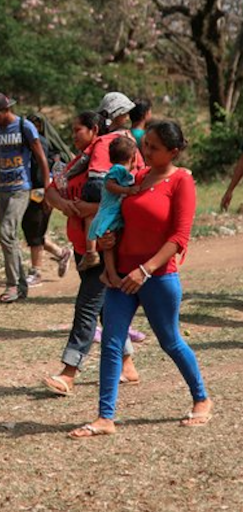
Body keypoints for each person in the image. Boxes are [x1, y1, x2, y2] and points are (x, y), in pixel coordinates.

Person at [70, 120, 212, 438]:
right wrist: (108, 243)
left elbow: (179, 237)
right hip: (121, 277)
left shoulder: (181, 181)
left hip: (158, 277)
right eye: (145, 144)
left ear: (173, 152)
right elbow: (116, 216)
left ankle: (201, 399)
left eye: (154, 148)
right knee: (111, 342)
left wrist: (145, 270)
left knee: (170, 341)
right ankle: (105, 417)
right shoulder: (135, 178)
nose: (145, 152)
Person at [42, 112, 138, 397]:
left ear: (95, 130)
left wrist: (89, 209)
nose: (73, 135)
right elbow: (50, 191)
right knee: (106, 310)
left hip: (105, 250)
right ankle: (128, 365)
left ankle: (69, 372)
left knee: (86, 307)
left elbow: (125, 199)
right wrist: (65, 205)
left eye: (78, 130)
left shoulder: (111, 163)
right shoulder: (76, 164)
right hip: (82, 250)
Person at [62, 92, 141, 271]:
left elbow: (82, 161)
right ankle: (100, 258)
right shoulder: (129, 139)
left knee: (91, 215)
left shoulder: (100, 141)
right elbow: (139, 167)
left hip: (96, 181)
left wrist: (67, 175)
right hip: (119, 186)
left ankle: (91, 252)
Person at [0, 92, 50, 302]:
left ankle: (11, 285)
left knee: (6, 233)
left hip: (21, 188)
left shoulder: (25, 126)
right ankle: (21, 286)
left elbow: (40, 156)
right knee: (10, 237)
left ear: (6, 110)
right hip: (2, 188)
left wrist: (46, 187)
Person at [22, 113, 72, 285]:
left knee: (35, 228)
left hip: (40, 191)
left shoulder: (41, 144)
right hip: (36, 191)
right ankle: (61, 253)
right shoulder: (32, 143)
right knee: (31, 228)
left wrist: (47, 195)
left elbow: (43, 173)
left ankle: (35, 272)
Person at [87, 136, 142, 286]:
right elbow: (109, 184)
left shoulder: (122, 171)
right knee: (109, 245)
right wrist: (127, 190)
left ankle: (109, 272)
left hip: (113, 213)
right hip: (109, 213)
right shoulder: (118, 169)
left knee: (112, 243)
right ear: (133, 157)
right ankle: (111, 274)